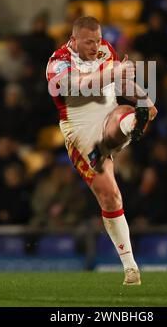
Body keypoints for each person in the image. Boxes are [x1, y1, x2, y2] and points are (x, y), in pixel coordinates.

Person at [46, 16, 157, 285]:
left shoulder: (106, 49)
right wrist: (114, 72)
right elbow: (81, 86)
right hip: (80, 130)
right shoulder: (58, 62)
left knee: (122, 115)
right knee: (111, 197)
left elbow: (120, 84)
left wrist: (143, 98)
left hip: (108, 117)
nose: (96, 46)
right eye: (89, 41)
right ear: (74, 40)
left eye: (98, 40)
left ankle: (133, 121)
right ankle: (130, 268)